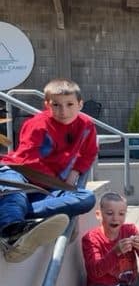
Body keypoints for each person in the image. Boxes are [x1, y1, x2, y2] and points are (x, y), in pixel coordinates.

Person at [0, 78, 97, 262]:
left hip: (47, 189)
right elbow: (28, 162)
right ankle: (12, 231)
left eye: (70, 104)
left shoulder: (86, 126)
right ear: (47, 105)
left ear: (80, 104)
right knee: (16, 193)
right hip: (19, 173)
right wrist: (58, 184)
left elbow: (89, 152)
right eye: (56, 105)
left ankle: (19, 218)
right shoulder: (37, 124)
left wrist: (76, 171)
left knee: (87, 198)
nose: (63, 111)